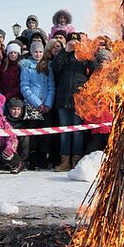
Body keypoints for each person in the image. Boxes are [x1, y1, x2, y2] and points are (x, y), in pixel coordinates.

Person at [51, 33, 95, 172]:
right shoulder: (64, 55)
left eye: (77, 40)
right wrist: (65, 51)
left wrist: (85, 51)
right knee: (64, 131)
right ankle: (65, 161)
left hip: (79, 99)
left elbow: (95, 68)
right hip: (63, 98)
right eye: (72, 40)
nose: (74, 43)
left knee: (77, 131)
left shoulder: (84, 56)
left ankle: (76, 161)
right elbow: (55, 67)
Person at [20, 40, 55, 170]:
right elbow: (25, 87)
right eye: (36, 51)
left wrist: (47, 103)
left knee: (45, 133)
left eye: (40, 51)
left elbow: (51, 87)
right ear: (31, 52)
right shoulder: (27, 67)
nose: (38, 54)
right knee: (33, 134)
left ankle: (43, 158)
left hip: (46, 105)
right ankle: (33, 160)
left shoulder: (48, 67)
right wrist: (37, 103)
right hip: (32, 104)